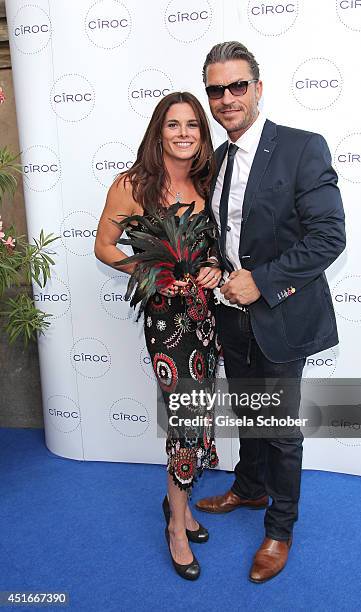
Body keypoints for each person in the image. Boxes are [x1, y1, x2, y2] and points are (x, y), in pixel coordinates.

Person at [195, 41, 346, 583]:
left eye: (238, 86)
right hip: (230, 315)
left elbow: (329, 236)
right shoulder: (214, 159)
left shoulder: (302, 148)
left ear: (258, 88)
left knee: (279, 426)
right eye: (217, 89)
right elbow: (226, 233)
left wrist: (260, 281)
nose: (228, 97)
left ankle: (280, 528)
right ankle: (250, 487)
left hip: (280, 312)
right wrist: (215, 264)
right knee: (250, 411)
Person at [94, 91, 222, 581]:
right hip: (168, 324)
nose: (184, 133)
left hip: (206, 318)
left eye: (193, 124)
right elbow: (104, 246)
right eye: (174, 124)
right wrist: (150, 269)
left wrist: (210, 269)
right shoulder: (132, 185)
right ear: (158, 131)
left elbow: (215, 247)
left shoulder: (207, 180)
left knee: (201, 414)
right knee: (186, 420)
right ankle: (175, 528)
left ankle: (181, 505)